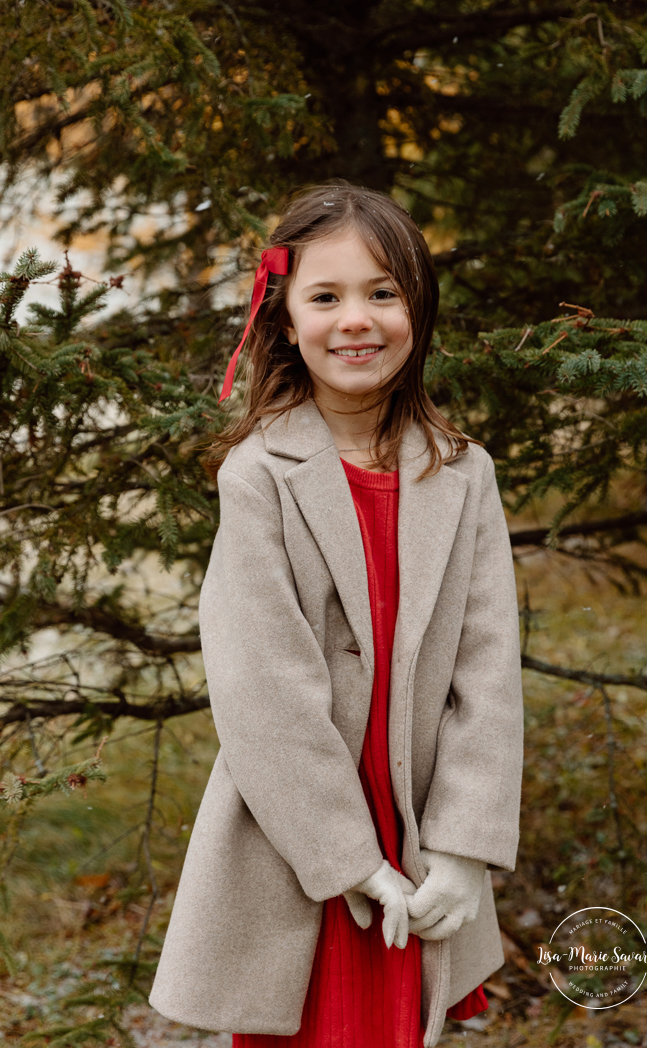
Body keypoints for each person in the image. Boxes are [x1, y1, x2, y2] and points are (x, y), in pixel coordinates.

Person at [149, 182, 524, 1048]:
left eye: (382, 293)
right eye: (326, 296)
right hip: (303, 842)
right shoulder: (259, 477)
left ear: (416, 310)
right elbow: (261, 689)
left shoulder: (463, 474)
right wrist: (348, 861)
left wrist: (464, 849)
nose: (356, 318)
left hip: (422, 827)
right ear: (284, 319)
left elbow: (486, 670)